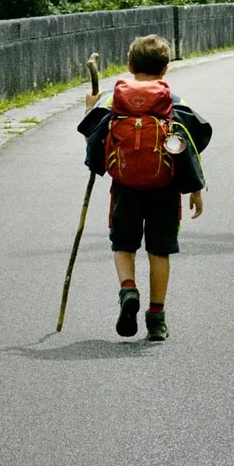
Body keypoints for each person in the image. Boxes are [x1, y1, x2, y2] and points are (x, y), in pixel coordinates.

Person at [78, 34, 210, 342]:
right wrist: (195, 189)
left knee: (123, 246)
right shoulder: (173, 103)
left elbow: (93, 142)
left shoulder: (115, 102)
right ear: (165, 70)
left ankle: (128, 289)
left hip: (124, 188)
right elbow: (190, 146)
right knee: (159, 251)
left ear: (129, 65)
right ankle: (156, 319)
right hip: (165, 189)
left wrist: (88, 109)